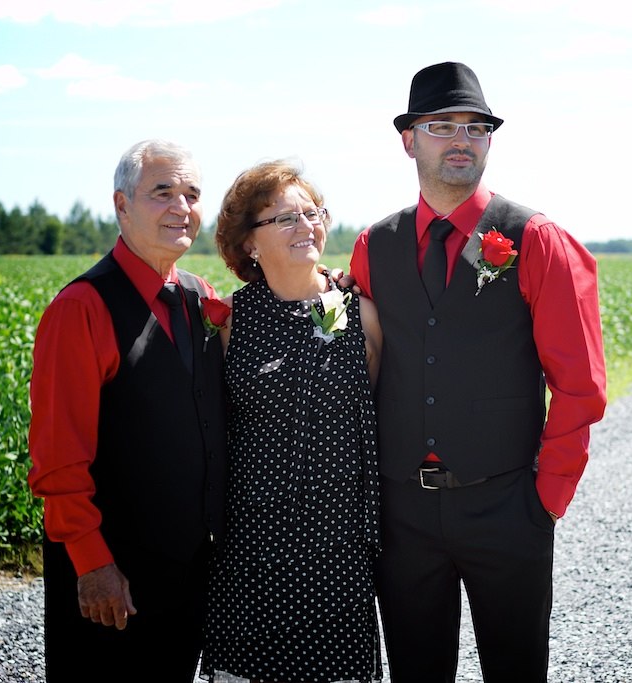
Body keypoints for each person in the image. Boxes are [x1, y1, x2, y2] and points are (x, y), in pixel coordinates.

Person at [348, 62, 607, 682]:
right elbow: (354, 364)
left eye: (476, 127)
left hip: (507, 506)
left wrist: (545, 500)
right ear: (408, 139)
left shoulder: (534, 239)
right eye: (442, 126)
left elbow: (581, 384)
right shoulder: (372, 246)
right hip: (402, 512)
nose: (461, 139)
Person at [28, 139, 227, 681]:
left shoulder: (198, 296)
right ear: (121, 205)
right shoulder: (80, 309)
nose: (181, 207)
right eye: (162, 192)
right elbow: (57, 458)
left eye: (191, 194)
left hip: (186, 577)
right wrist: (93, 563)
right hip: (113, 580)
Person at [200, 160, 383, 683]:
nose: (307, 225)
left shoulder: (354, 311)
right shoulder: (232, 319)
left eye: (313, 213)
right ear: (248, 243)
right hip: (253, 543)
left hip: (336, 544)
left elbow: (367, 398)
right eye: (285, 218)